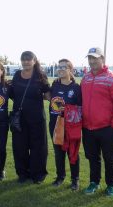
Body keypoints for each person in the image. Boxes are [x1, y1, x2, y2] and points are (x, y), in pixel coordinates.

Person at [80, 47, 113, 197]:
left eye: (95, 58)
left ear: (102, 59)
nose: (92, 61)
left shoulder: (112, 78)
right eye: (90, 58)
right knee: (92, 157)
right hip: (87, 127)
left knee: (109, 158)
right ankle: (94, 182)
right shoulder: (85, 78)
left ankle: (111, 185)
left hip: (106, 127)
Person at [10, 51, 50, 184]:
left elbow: (48, 94)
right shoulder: (16, 75)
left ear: (34, 61)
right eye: (23, 59)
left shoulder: (40, 75)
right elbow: (12, 93)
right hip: (19, 118)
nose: (26, 62)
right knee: (19, 147)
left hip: (36, 118)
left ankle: (37, 174)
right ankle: (22, 173)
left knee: (38, 147)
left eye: (28, 59)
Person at [48, 59, 82, 191]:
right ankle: (60, 177)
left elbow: (80, 108)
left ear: (70, 70)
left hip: (70, 125)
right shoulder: (55, 84)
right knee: (58, 152)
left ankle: (75, 179)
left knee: (72, 152)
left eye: (64, 67)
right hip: (55, 124)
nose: (61, 69)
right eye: (59, 67)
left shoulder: (76, 88)